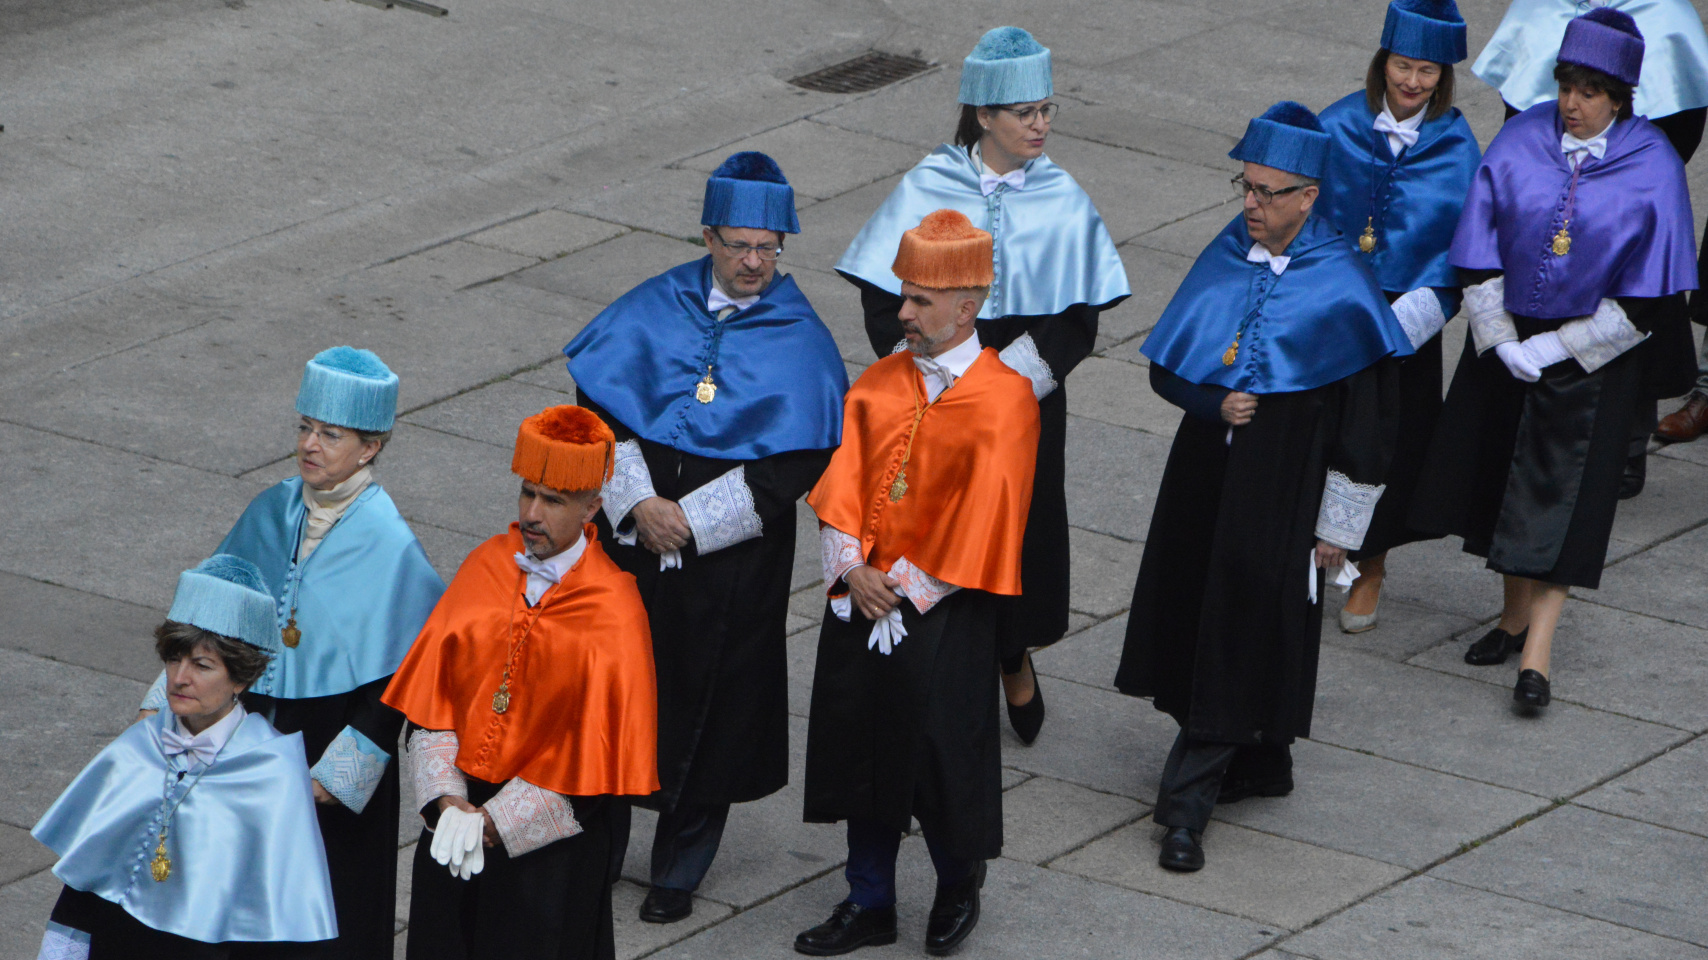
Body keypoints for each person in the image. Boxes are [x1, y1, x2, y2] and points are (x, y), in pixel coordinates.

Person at [1114, 102, 1411, 872]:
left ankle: (1185, 806)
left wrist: (1339, 529)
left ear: (1309, 197)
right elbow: (1165, 365)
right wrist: (1215, 400)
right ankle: (1262, 759)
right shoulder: (1225, 252)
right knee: (1205, 612)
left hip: (1284, 488)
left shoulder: (1343, 286)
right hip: (1203, 479)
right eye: (1244, 187)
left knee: (1243, 624)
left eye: (1269, 192)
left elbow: (1371, 428)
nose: (1251, 203)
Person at [562, 152, 846, 923]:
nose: (755, 263)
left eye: (769, 248)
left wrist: (691, 523)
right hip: (632, 536)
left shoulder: (800, 336)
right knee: (614, 690)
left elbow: (799, 455)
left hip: (731, 559)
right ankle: (595, 846)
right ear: (708, 237)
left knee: (712, 702)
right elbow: (600, 407)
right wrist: (639, 505)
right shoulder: (655, 305)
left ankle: (679, 867)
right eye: (740, 246)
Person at [834, 26, 1129, 745]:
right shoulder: (928, 184)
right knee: (927, 519)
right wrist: (931, 369)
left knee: (1014, 529)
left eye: (1047, 110)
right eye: (1025, 112)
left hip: (1020, 397)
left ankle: (1010, 650)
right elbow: (884, 302)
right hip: (929, 391)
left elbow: (1076, 319)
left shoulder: (1061, 195)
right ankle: (943, 654)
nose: (1041, 125)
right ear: (985, 115)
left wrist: (1000, 383)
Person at [1412, 8, 1697, 709]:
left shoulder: (1653, 166)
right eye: (1567, 85)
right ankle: (1511, 617)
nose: (1573, 104)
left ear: (1622, 98)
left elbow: (1647, 302)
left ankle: (1536, 653)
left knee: (1565, 499)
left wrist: (1556, 346)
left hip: (1593, 357)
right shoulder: (1519, 137)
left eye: (1591, 92)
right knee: (1501, 479)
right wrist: (1504, 338)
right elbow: (1477, 245)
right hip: (1505, 342)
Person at [134, 346, 444, 960]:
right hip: (250, 735)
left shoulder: (390, 543)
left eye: (330, 433)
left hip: (331, 747)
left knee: (328, 913)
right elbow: (210, 610)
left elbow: (406, 674)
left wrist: (340, 771)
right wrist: (163, 699)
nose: (309, 444)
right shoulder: (271, 510)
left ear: (370, 446)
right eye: (304, 427)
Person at [797, 210, 1039, 957]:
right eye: (902, 296)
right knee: (859, 745)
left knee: (942, 756)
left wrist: (901, 586)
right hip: (862, 597)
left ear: (966, 307)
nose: (900, 313)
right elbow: (841, 482)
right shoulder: (879, 383)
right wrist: (853, 571)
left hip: (944, 609)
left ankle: (956, 881)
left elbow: (990, 512)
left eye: (918, 301)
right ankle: (868, 898)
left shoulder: (1006, 401)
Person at [383, 405, 659, 960]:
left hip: (547, 858)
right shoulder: (484, 565)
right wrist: (446, 804)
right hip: (454, 825)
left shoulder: (616, 609)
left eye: (553, 500)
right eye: (527, 493)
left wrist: (494, 825)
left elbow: (597, 764)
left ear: (593, 508)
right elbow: (432, 705)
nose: (532, 513)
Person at [34, 555, 337, 959]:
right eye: (174, 659)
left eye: (202, 665)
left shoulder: (272, 770)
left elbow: (278, 920)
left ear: (241, 678)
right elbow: (84, 889)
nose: (179, 678)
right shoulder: (136, 749)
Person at [1474, 0, 1708, 491]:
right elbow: (1516, 128)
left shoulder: (1665, 20)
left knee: (1637, 307)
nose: (1571, 100)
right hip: (1545, 202)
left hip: (1623, 213)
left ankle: (1625, 446)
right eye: (1566, 90)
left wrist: (1617, 194)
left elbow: (1679, 138)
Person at [1316, 0, 1483, 633]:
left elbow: (1461, 249)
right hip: (1336, 306)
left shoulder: (1457, 148)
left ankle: (1371, 562)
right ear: (1381, 62)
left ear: (1445, 77)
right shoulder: (1336, 127)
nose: (1413, 83)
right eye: (1403, 66)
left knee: (1390, 441)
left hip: (1408, 318)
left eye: (1428, 72)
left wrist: (1413, 316)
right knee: (1322, 430)